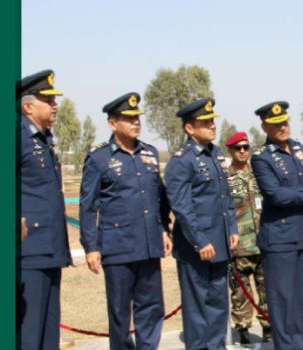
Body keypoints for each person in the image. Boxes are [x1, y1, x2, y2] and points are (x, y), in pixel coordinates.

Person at [79, 92, 173, 350]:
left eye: (137, 118)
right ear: (112, 123)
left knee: (152, 309)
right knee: (120, 313)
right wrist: (91, 246)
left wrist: (164, 229)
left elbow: (159, 198)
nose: (136, 122)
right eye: (129, 118)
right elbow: (88, 206)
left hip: (148, 244)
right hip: (117, 246)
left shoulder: (150, 153)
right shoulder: (99, 158)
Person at [250, 101, 303, 350]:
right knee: (282, 297)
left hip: (301, 233)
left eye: (285, 122)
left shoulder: (298, 148)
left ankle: (298, 342)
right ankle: (286, 345)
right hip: (278, 237)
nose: (283, 127)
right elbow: (276, 195)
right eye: (276, 124)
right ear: (266, 127)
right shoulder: (262, 158)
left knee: (299, 297)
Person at [165, 98, 239, 350]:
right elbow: (182, 207)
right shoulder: (181, 161)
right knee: (197, 312)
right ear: (189, 128)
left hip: (219, 243)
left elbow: (225, 196)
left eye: (212, 121)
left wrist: (232, 229)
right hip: (196, 248)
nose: (212, 125)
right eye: (205, 122)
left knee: (219, 306)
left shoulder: (216, 154)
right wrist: (200, 241)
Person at [17, 69, 72, 350]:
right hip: (29, 252)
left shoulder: (44, 140)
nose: (55, 105)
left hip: (50, 250)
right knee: (29, 334)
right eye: (47, 100)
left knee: (49, 333)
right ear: (27, 106)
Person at [224, 131, 271, 344]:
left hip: (262, 245)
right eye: (237, 148)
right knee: (240, 295)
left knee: (267, 292)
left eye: (245, 147)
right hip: (238, 247)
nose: (242, 151)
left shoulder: (259, 174)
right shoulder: (224, 178)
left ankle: (268, 329)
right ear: (230, 150)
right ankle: (242, 331)